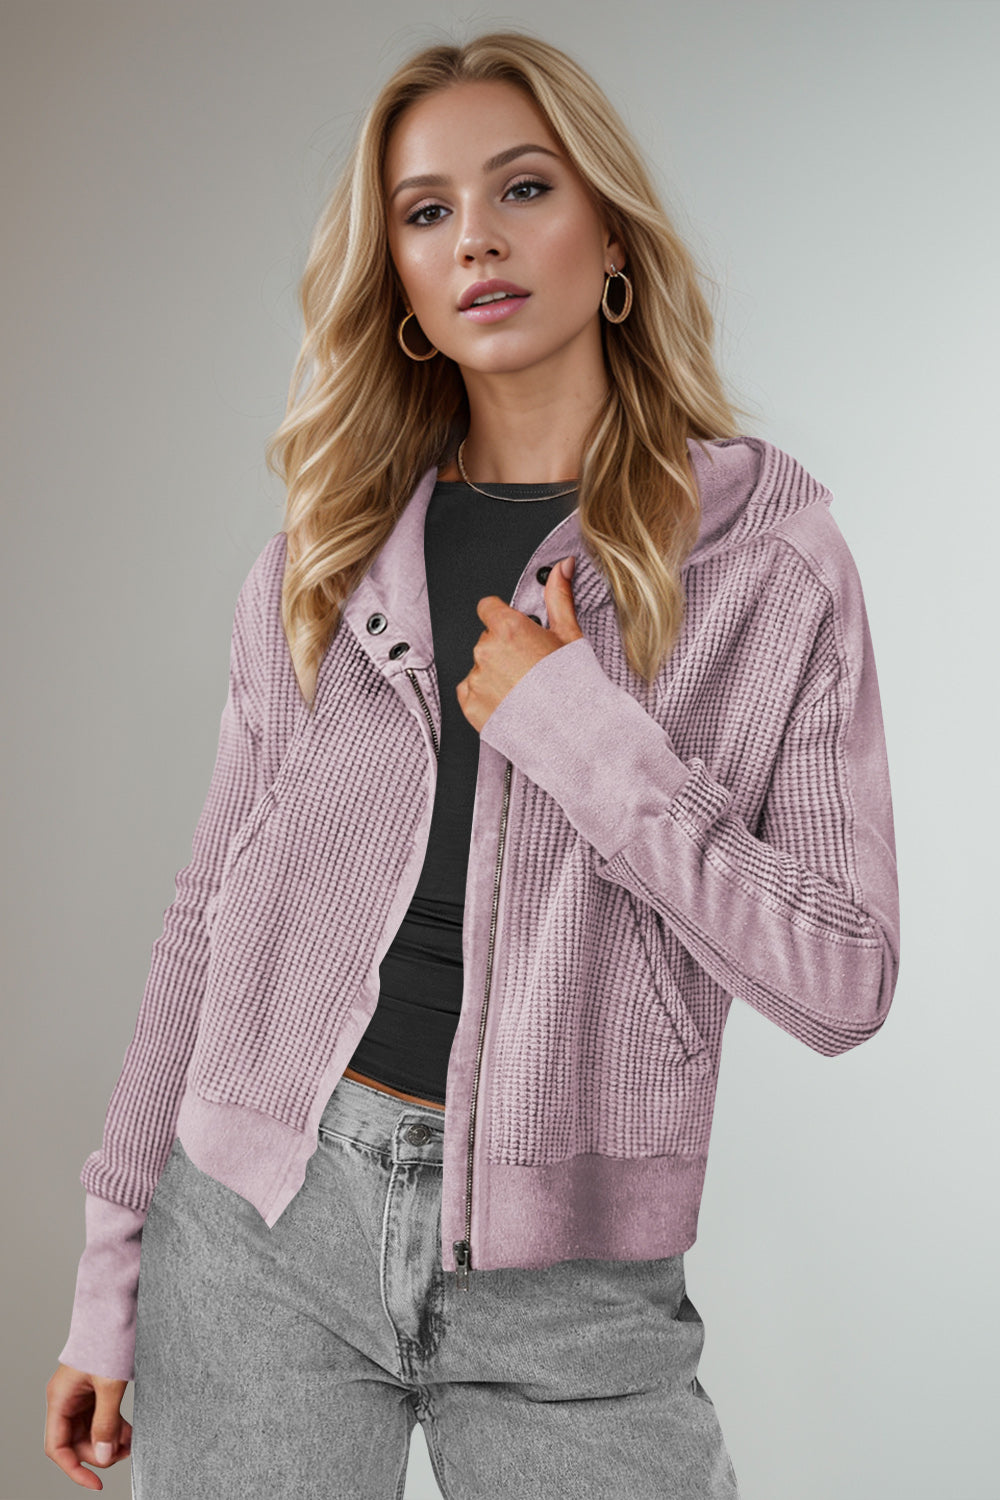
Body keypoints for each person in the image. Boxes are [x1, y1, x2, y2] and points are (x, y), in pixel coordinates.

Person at [44, 28, 900, 1499]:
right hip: (260, 1238)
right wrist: (108, 1274)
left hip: (573, 1282)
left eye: (524, 188)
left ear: (611, 237)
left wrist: (583, 734)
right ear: (400, 280)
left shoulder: (767, 562)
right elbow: (207, 918)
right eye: (428, 211)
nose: (477, 240)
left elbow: (845, 975)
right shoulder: (322, 566)